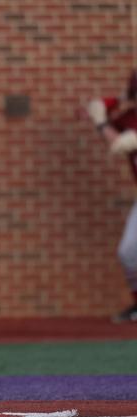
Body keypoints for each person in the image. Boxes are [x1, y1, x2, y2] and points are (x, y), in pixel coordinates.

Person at [85, 69, 137, 323]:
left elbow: (120, 144)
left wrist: (102, 123)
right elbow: (95, 108)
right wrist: (118, 98)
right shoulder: (130, 117)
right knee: (128, 252)